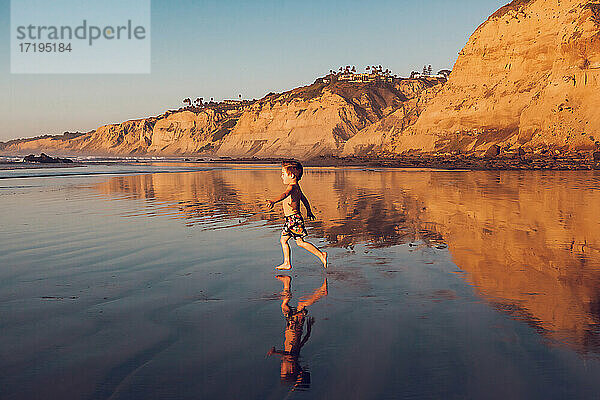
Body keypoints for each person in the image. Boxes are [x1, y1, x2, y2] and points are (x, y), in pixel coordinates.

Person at [267, 275, 328, 389]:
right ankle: (321, 292)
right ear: (290, 370)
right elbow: (287, 355)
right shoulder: (291, 360)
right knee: (300, 304)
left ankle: (287, 282)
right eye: (283, 371)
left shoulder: (294, 357)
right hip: (294, 326)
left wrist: (309, 328)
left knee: (285, 306)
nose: (282, 368)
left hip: (294, 327)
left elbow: (304, 340)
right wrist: (274, 353)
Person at [266, 160, 327, 270]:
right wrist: (309, 211)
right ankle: (287, 262)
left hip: (293, 219)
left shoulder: (292, 187)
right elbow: (304, 199)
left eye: (283, 174)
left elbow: (285, 194)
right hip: (292, 219)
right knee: (287, 241)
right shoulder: (297, 186)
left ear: (292, 175)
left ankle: (320, 255)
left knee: (297, 242)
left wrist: (273, 201)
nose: (281, 176)